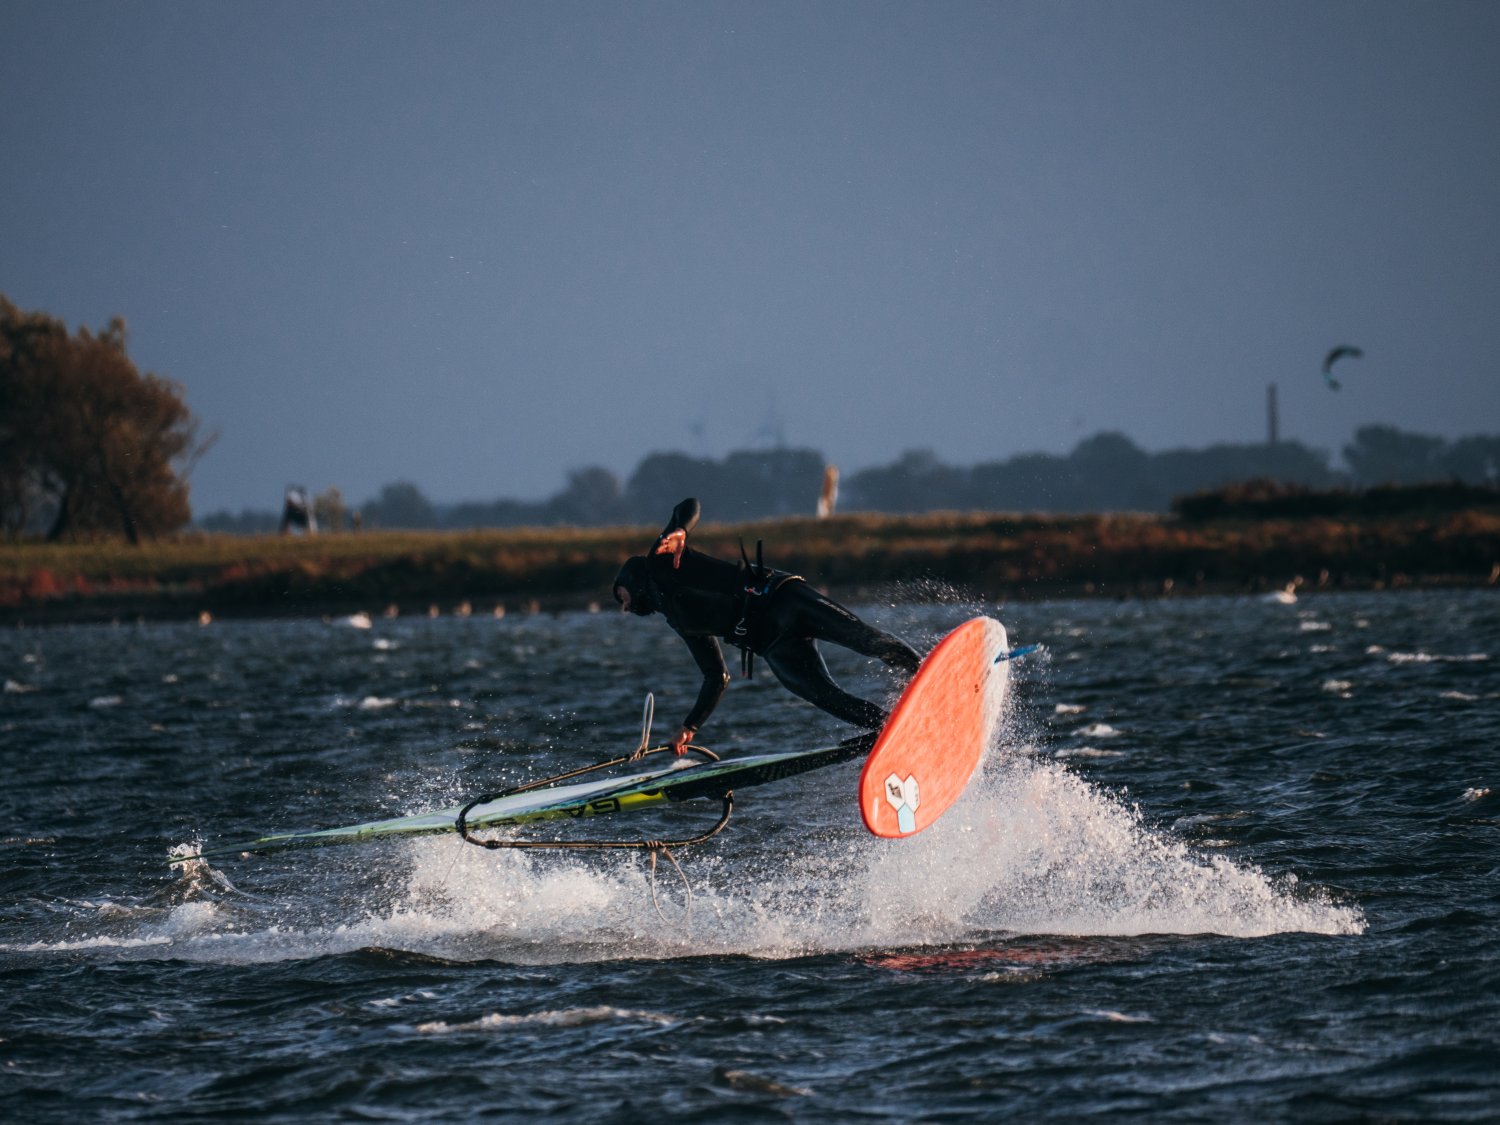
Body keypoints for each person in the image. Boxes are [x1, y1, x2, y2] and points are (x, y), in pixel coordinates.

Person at [613, 497, 921, 753]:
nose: (625, 607)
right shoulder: (682, 622)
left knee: (861, 639)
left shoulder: (660, 560)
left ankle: (921, 671)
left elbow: (689, 505)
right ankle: (888, 727)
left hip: (781, 599)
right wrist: (689, 726)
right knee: (823, 695)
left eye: (621, 597)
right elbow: (716, 676)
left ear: (632, 579)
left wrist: (680, 529)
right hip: (773, 644)